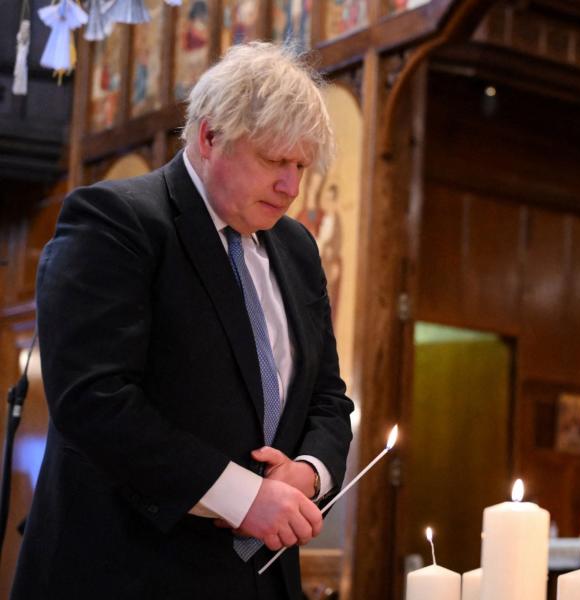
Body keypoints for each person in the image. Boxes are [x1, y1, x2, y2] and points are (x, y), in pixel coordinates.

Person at [13, 42, 354, 599]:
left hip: (259, 578)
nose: (291, 187)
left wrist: (310, 471)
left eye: (300, 166)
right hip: (127, 570)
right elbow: (95, 399)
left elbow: (328, 396)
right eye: (274, 160)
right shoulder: (117, 220)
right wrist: (244, 497)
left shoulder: (296, 248)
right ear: (210, 136)